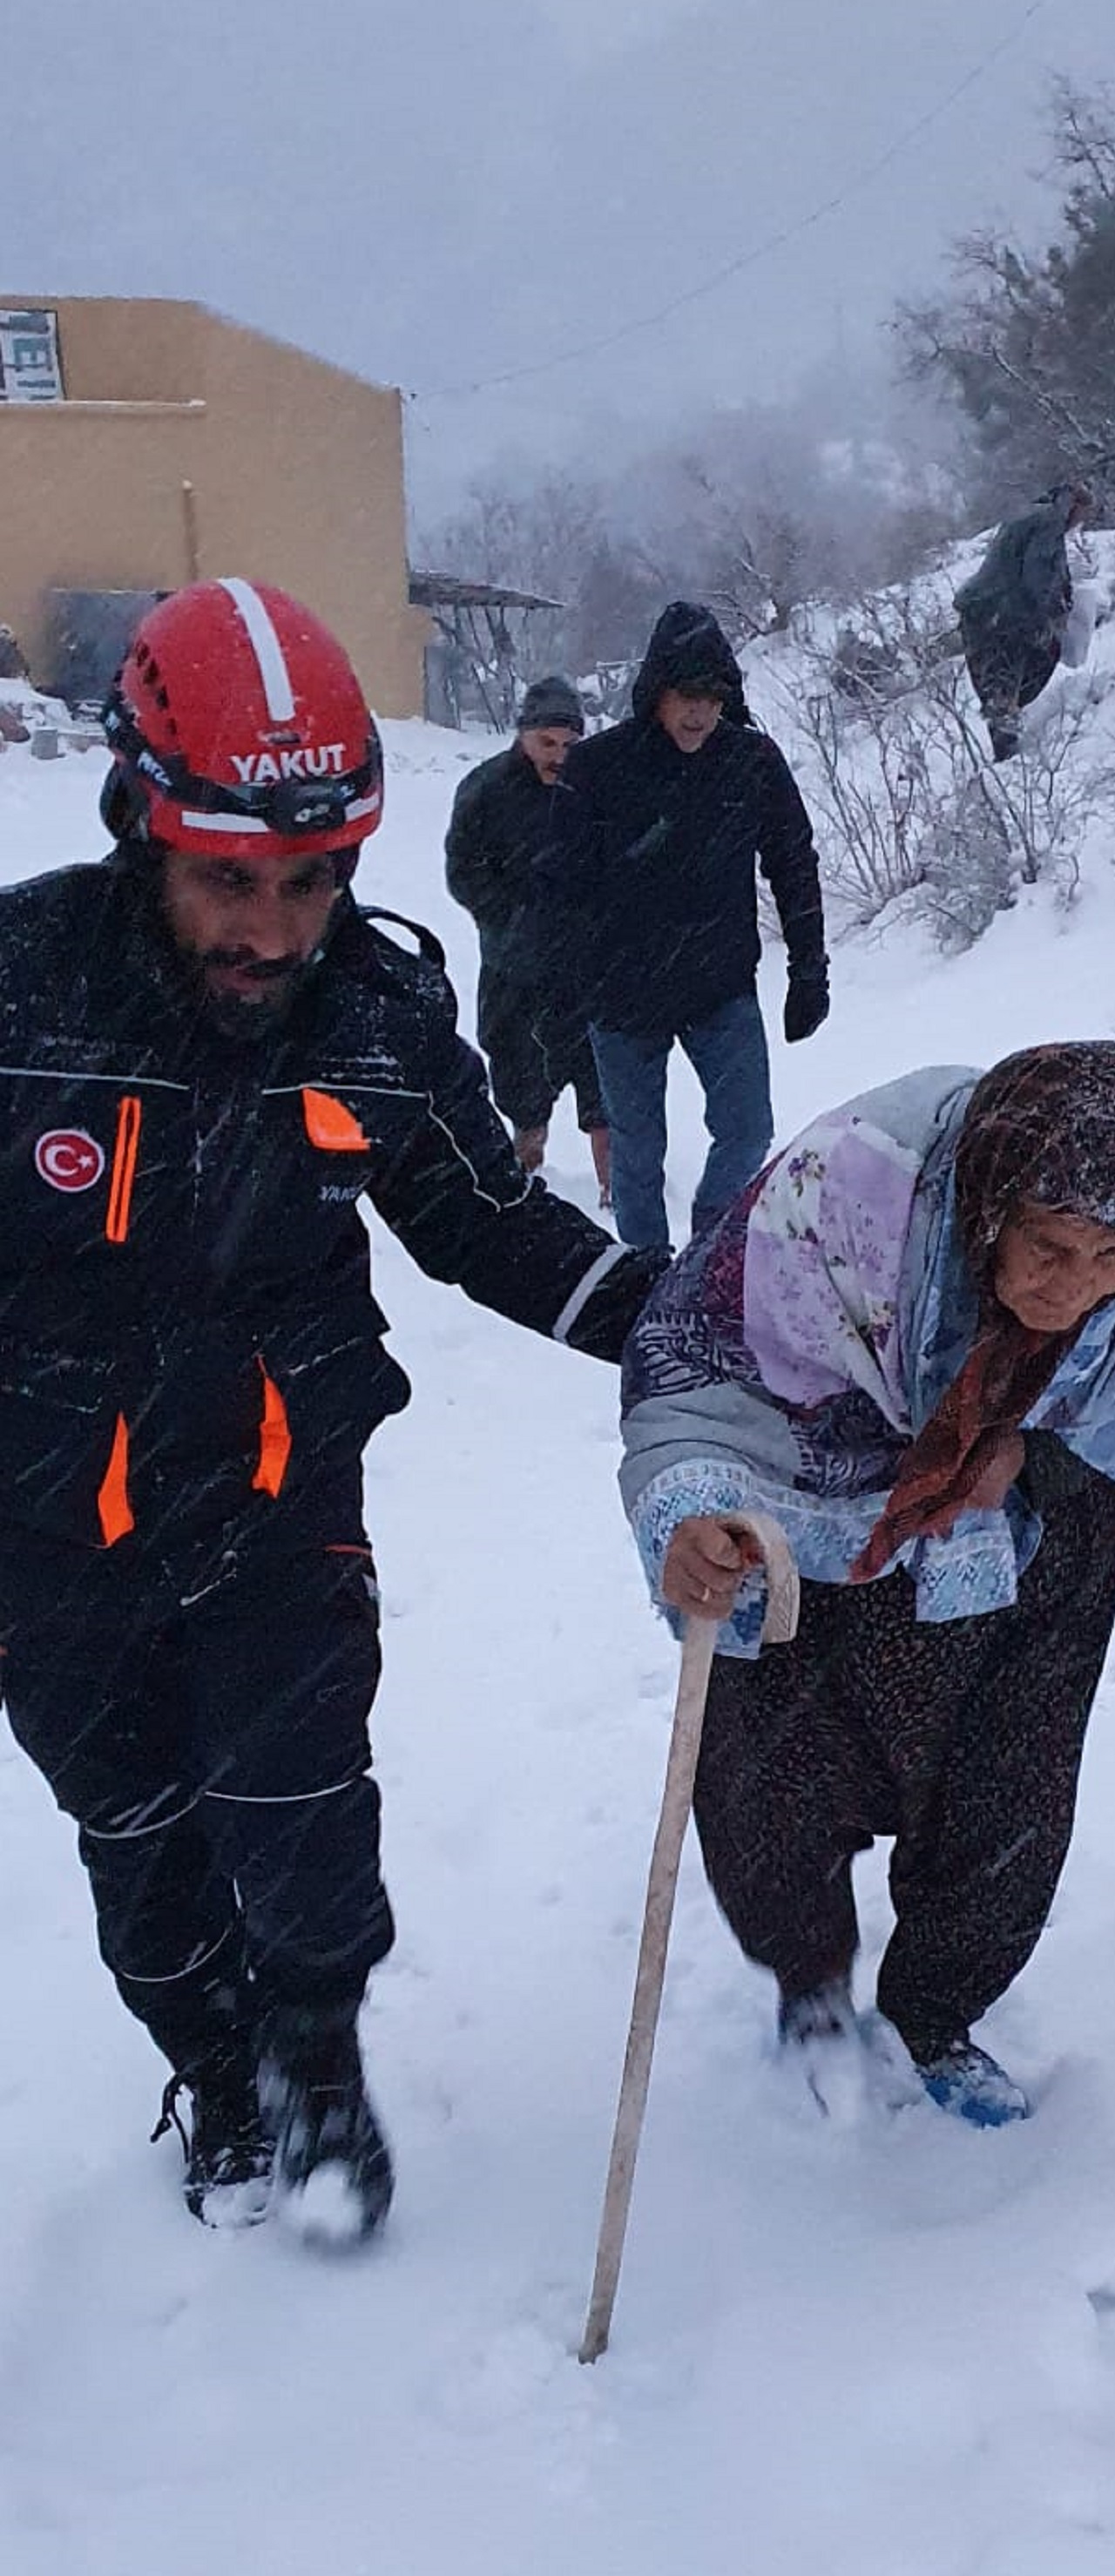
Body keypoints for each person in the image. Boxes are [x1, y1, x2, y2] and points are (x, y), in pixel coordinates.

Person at [0, 580, 663, 2241]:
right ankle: (215, 2068)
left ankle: (311, 2058)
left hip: (276, 1499)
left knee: (299, 1813)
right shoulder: (23, 994)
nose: (275, 930)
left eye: (312, 881)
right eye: (230, 881)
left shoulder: (373, 1016)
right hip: (48, 1521)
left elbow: (490, 1224)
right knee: (139, 1842)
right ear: (141, 826)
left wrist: (693, 1332)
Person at [619, 1044, 1115, 2124]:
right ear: (988, 1209)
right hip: (815, 1511)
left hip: (1022, 1535)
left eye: (1107, 1259)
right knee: (776, 1775)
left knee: (1008, 1781)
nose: (1073, 1286)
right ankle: (808, 1986)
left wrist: (1027, 1453)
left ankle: (935, 2013)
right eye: (1046, 1247)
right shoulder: (848, 1197)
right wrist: (691, 1507)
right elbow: (694, 1361)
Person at [531, 601, 827, 1253]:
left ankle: (708, 1251)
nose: (698, 712)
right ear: (657, 692)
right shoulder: (600, 768)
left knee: (748, 1131)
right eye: (686, 695)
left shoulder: (751, 762)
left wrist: (809, 970)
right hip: (622, 994)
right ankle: (645, 1277)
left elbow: (793, 862)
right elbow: (559, 889)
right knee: (637, 1154)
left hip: (719, 985)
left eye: (712, 697)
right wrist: (560, 997)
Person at [443, 673, 612, 1200]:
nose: (559, 755)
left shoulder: (596, 786)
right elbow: (462, 871)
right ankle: (525, 1163)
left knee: (604, 1083)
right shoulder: (486, 789)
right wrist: (511, 917)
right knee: (519, 1076)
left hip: (586, 966)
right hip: (514, 966)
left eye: (569, 744)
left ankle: (615, 1189)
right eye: (548, 743)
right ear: (523, 735)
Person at [953, 481, 1093, 762]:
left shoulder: (1028, 515)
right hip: (1003, 615)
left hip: (982, 612)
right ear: (1073, 505)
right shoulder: (1049, 522)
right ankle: (1007, 760)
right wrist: (1053, 610)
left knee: (999, 687)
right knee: (1008, 684)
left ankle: (1005, 751)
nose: (1079, 523)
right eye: (1082, 515)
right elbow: (1037, 573)